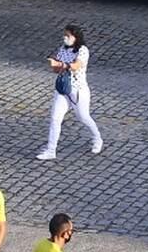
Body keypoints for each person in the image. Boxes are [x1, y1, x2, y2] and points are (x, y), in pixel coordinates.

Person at [38, 23, 103, 160]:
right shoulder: (63, 49)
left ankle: (97, 138)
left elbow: (76, 66)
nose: (65, 38)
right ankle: (51, 150)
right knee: (55, 118)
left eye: (68, 35)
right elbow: (57, 68)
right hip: (63, 89)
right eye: (65, 35)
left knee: (83, 116)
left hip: (78, 90)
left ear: (75, 37)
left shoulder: (83, 50)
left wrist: (60, 65)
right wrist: (54, 64)